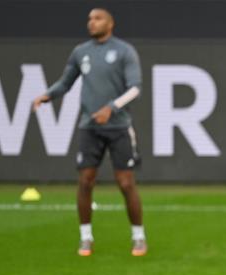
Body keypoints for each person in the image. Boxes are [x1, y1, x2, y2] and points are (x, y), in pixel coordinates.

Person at [33, 8, 147, 257]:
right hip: (90, 126)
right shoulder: (80, 52)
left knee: (126, 183)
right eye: (89, 19)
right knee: (85, 181)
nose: (92, 23)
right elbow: (66, 82)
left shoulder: (124, 51)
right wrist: (48, 95)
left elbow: (135, 88)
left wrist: (111, 107)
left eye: (98, 18)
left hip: (118, 127)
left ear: (110, 23)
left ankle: (138, 236)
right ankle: (86, 238)